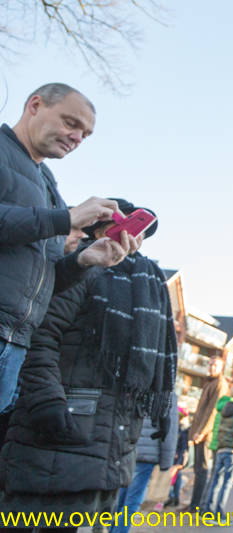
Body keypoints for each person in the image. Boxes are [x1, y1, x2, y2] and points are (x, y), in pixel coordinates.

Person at [0, 199, 175, 531]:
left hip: (108, 449)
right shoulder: (73, 269)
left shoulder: (143, 283)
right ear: (102, 229)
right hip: (56, 438)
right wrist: (48, 402)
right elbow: (40, 336)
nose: (131, 241)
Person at [0, 83, 142, 414]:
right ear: (34, 105)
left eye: (86, 134)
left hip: (15, 343)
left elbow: (45, 280)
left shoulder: (48, 184)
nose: (77, 137)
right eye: (70, 123)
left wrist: (83, 261)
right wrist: (67, 218)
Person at [110, 396, 179, 533]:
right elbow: (169, 429)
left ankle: (114, 530)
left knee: (120, 498)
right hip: (147, 455)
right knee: (132, 501)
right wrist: (166, 461)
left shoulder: (138, 384)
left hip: (128, 449)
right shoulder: (167, 393)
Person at [184, 356, 228, 510]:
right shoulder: (210, 382)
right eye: (210, 364)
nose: (211, 367)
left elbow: (213, 411)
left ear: (221, 367)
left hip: (206, 434)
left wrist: (202, 432)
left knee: (202, 470)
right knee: (197, 469)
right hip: (198, 432)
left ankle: (197, 505)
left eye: (215, 365)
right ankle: (194, 503)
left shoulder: (220, 384)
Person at [205, 387, 233, 517]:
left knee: (216, 480)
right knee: (227, 482)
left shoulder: (225, 411)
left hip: (221, 449)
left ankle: (208, 510)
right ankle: (219, 513)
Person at [165, 406, 191, 508]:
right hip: (173, 456)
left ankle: (173, 497)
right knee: (173, 477)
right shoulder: (178, 428)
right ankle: (172, 497)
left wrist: (181, 460)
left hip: (176, 457)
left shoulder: (182, 429)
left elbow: (184, 447)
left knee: (174, 477)